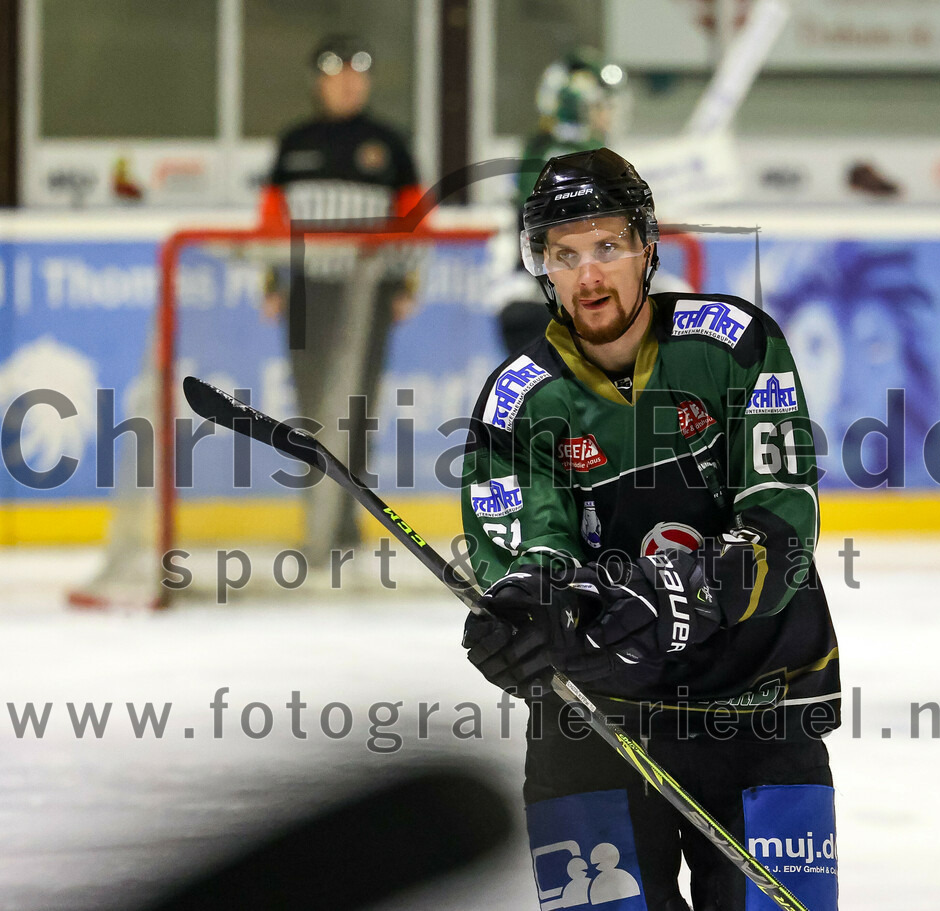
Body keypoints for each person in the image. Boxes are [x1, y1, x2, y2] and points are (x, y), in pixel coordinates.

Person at [461, 148, 841, 910]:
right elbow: (532, 557)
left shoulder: (734, 345)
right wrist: (526, 623)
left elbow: (782, 519)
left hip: (759, 703)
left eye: (607, 247)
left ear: (647, 246)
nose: (589, 277)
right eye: (565, 255)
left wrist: (690, 594)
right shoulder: (518, 402)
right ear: (542, 266)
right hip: (599, 725)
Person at [262, 34, 420, 566]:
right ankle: (319, 521)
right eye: (338, 74)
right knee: (310, 411)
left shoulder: (389, 145)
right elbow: (270, 223)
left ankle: (347, 522)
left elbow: (415, 221)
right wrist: (271, 284)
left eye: (359, 74)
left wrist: (404, 285)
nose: (350, 84)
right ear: (319, 82)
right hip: (307, 293)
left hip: (368, 295)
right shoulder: (293, 144)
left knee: (357, 408)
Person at [497, 50, 625, 355]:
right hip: (557, 295)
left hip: (531, 291)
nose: (606, 114)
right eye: (598, 106)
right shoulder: (582, 155)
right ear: (578, 107)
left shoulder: (538, 148)